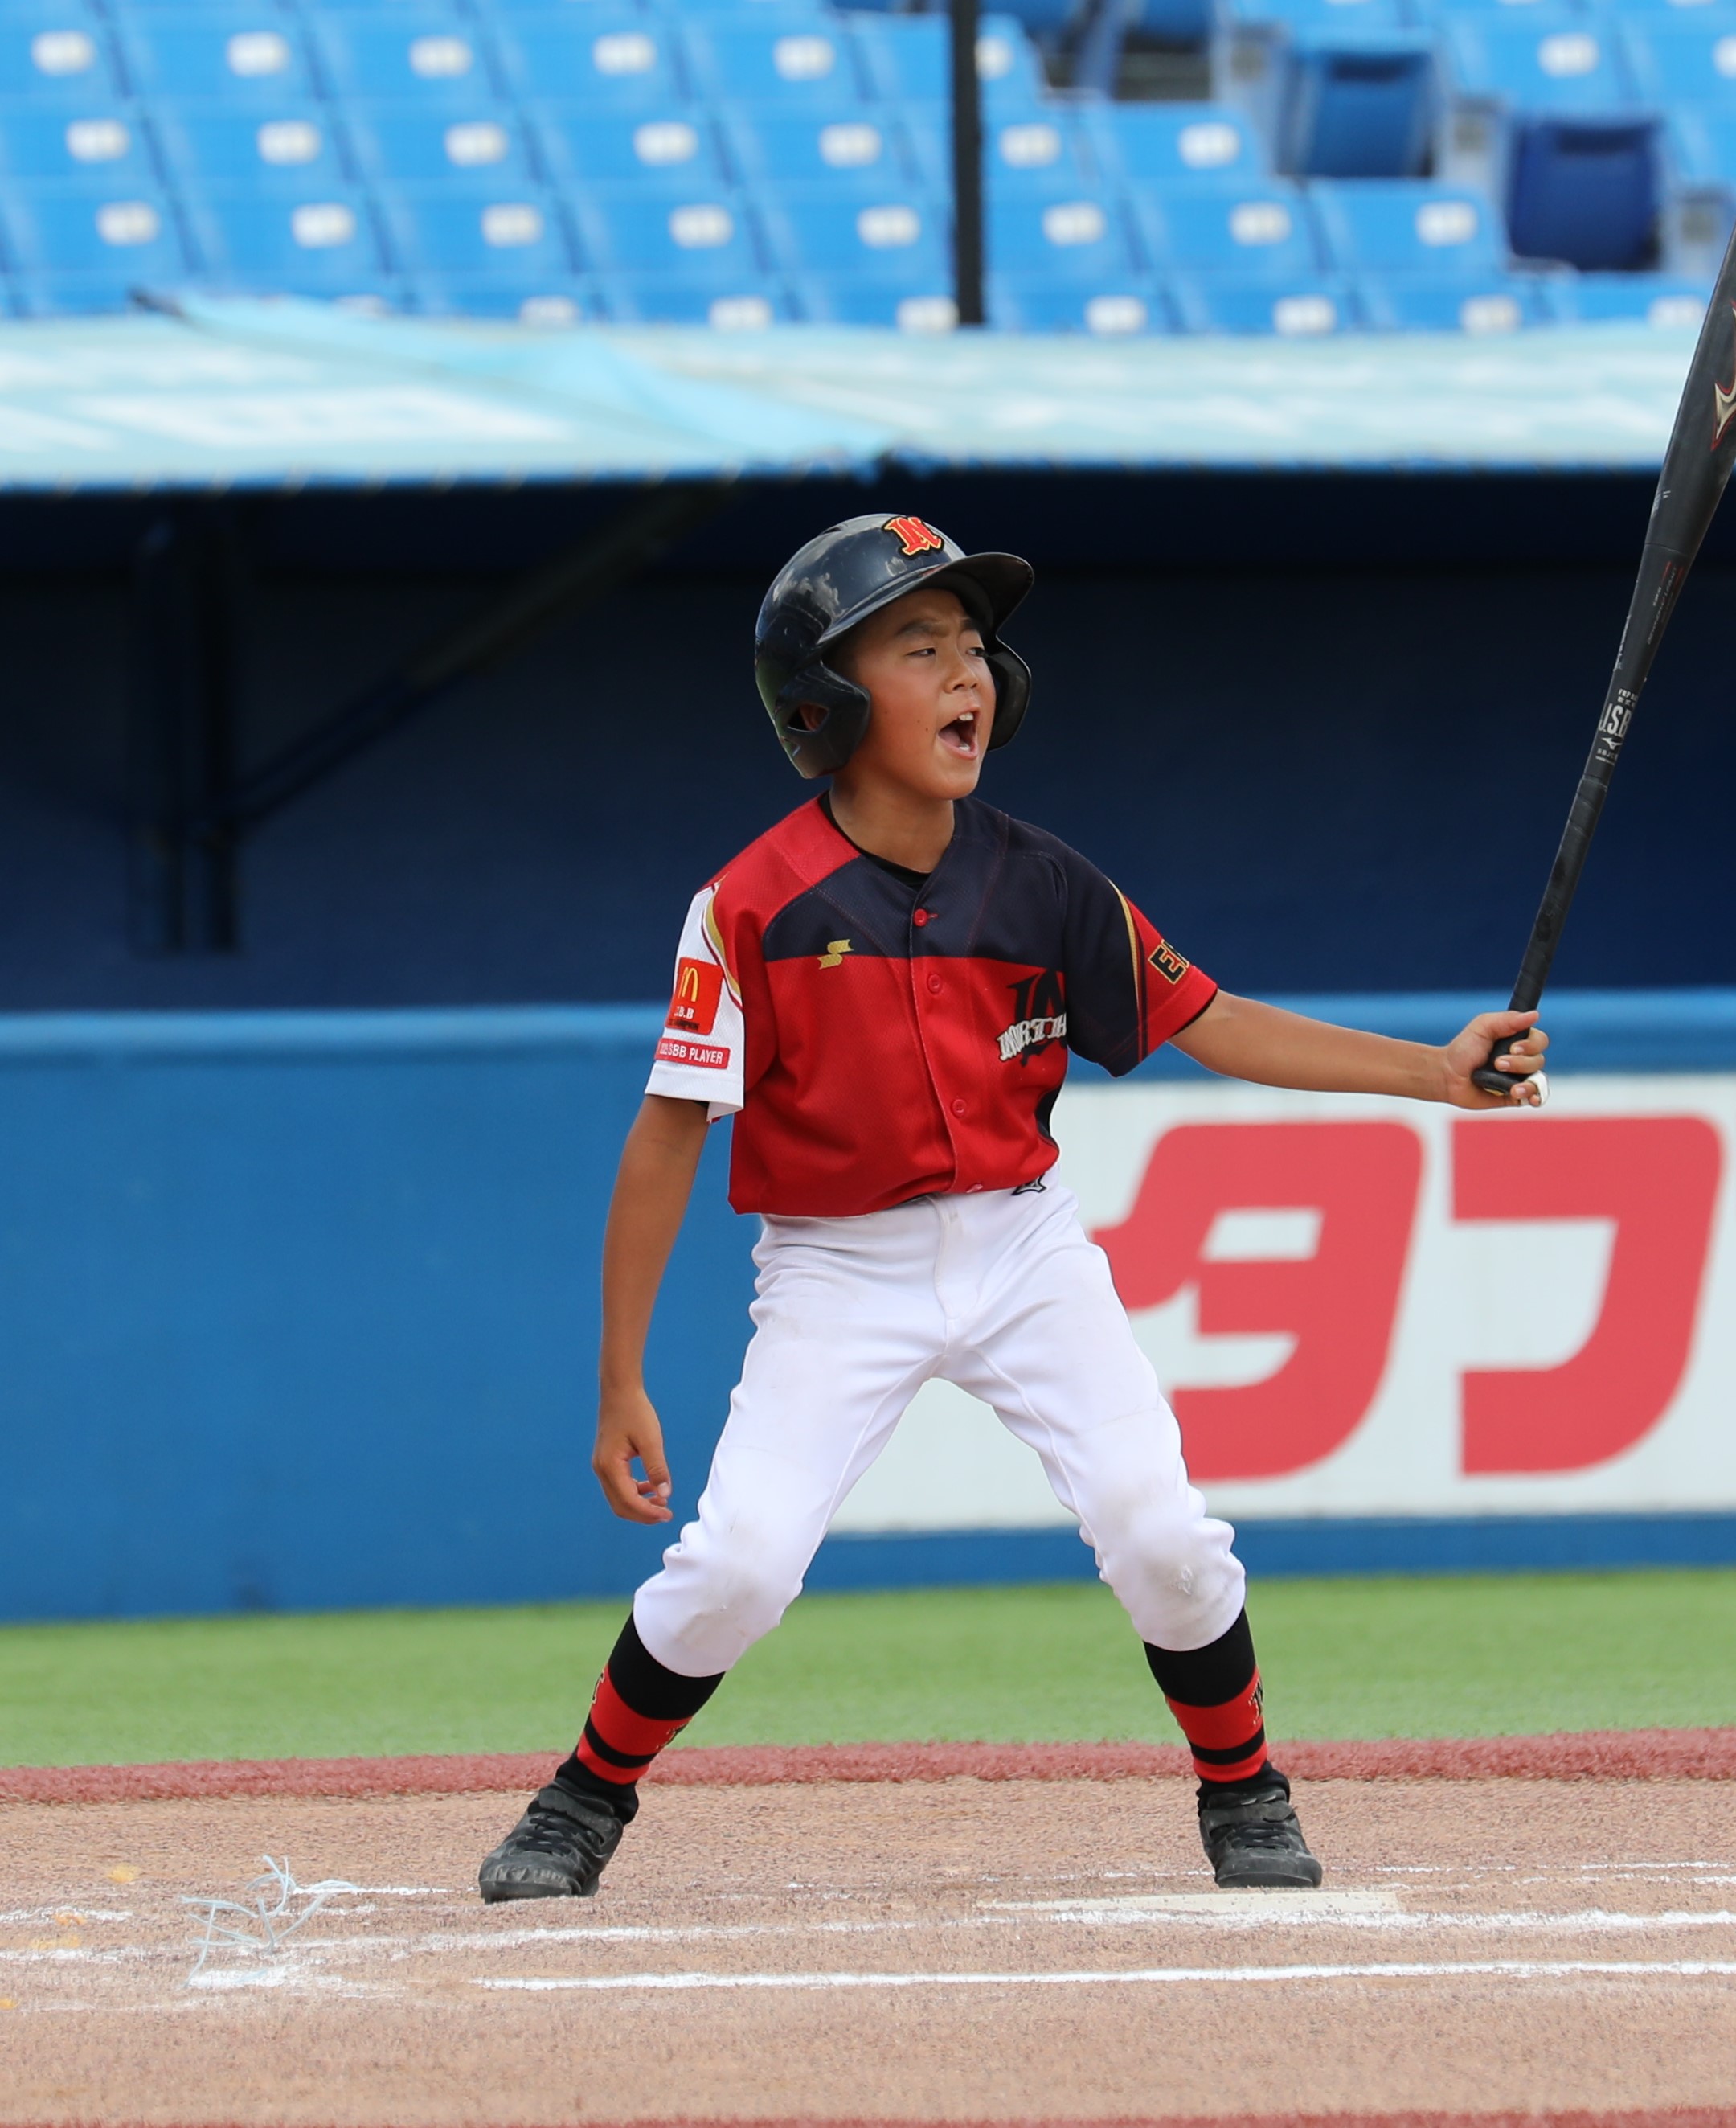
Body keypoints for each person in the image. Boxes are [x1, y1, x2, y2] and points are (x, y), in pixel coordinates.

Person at [477, 514, 1548, 1903]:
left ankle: (1247, 1793)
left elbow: (1212, 1022)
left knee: (1161, 1532)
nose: (968, 675)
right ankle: (580, 1803)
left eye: (976, 648)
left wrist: (1435, 1075)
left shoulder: (1044, 882)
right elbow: (666, 1137)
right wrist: (621, 1377)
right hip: (836, 1270)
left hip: (1023, 1244)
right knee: (738, 1565)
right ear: (828, 700)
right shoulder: (750, 905)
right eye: (920, 648)